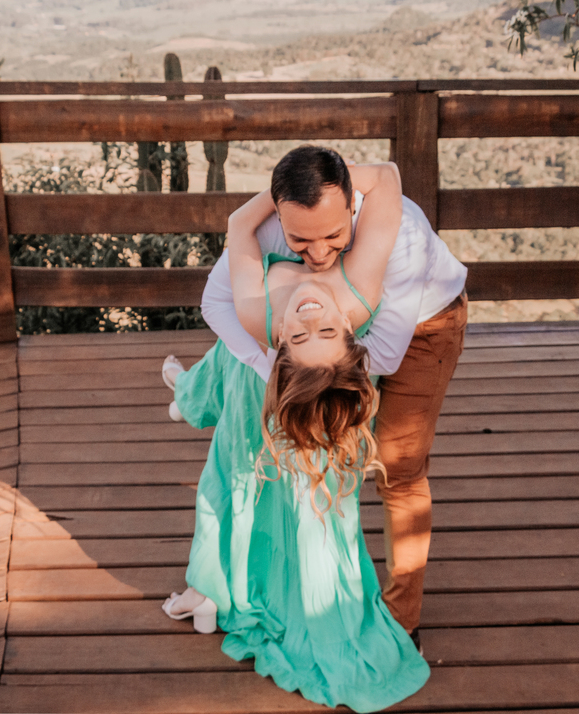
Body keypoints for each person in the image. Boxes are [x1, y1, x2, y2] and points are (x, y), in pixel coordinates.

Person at [161, 148, 430, 713]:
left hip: (283, 387)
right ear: (346, 330)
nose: (310, 316)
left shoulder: (259, 315)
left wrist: (284, 195)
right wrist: (318, 183)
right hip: (281, 388)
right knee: (243, 461)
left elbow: (239, 226)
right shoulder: (356, 296)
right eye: (322, 328)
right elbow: (387, 179)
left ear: (281, 347)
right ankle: (191, 400)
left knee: (242, 467)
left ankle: (189, 401)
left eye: (304, 334)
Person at [198, 145, 468, 646]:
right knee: (323, 461)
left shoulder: (398, 236)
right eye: (300, 238)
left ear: (352, 207)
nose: (319, 253)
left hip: (426, 325)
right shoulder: (276, 235)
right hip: (324, 345)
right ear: (280, 215)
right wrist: (288, 365)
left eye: (334, 235)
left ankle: (401, 616)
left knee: (398, 468)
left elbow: (383, 357)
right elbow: (216, 299)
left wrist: (308, 342)